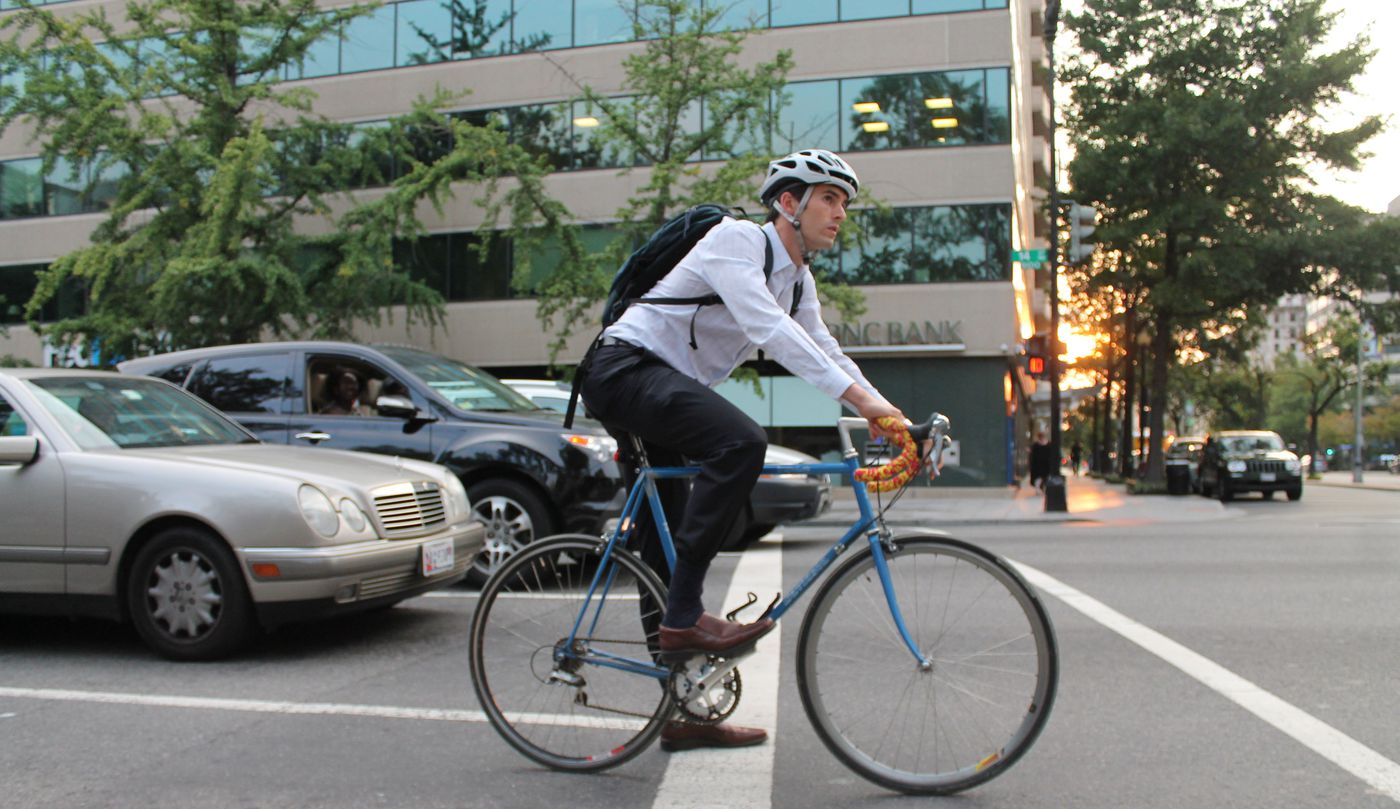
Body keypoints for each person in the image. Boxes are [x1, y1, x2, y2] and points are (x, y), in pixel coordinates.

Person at [580, 149, 904, 752]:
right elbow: (769, 331)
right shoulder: (736, 241)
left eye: (844, 203)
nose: (839, 214)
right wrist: (862, 404)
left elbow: (824, 347)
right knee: (741, 441)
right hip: (624, 369)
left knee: (663, 552)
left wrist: (888, 411)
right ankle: (685, 617)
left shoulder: (797, 277)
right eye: (829, 198)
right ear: (789, 202)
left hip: (665, 385)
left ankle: (681, 714)